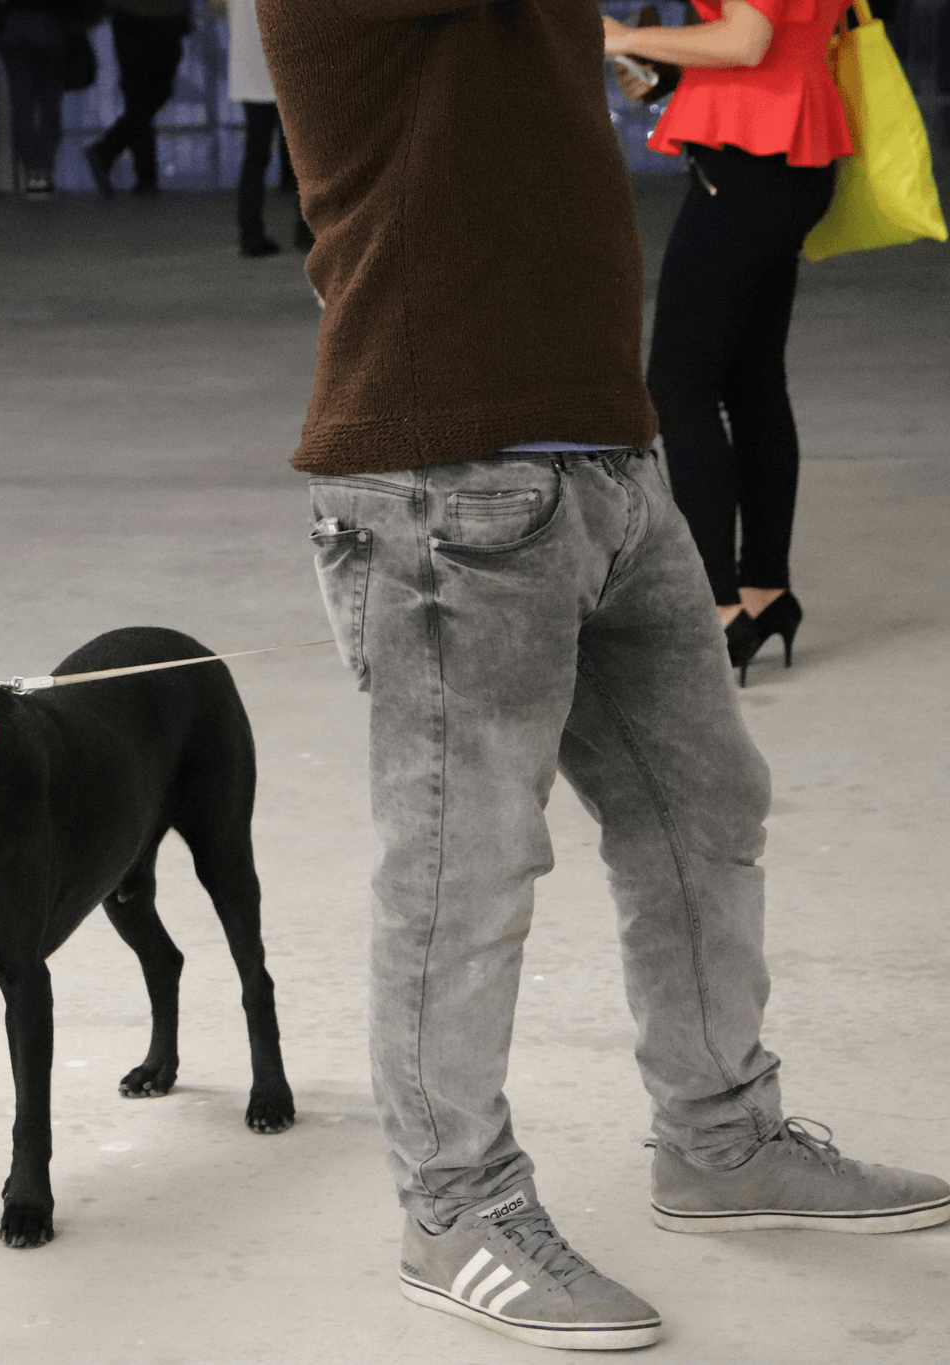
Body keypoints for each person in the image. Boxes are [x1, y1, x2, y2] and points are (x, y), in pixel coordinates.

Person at [256, 0, 949, 1352]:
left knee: (705, 805)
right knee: (467, 866)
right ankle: (453, 1205)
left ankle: (721, 1138)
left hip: (605, 457)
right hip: (444, 478)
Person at [605, 0, 851, 683]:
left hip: (749, 162)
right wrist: (668, 67)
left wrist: (626, 37)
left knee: (679, 389)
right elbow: (766, 41)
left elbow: (746, 40)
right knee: (751, 383)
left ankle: (719, 610)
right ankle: (765, 592)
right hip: (781, 152)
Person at [216, 0, 305, 256]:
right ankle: (306, 230)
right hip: (290, 65)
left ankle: (250, 233)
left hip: (249, 68)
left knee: (256, 155)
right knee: (303, 158)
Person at [82, 0, 187, 197]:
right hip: (161, 17)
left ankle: (114, 156)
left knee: (141, 99)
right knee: (145, 99)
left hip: (136, 17)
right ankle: (141, 175)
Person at [0, 0, 82, 195]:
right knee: (49, 107)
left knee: (23, 107)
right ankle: (42, 173)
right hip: (49, 22)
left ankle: (31, 171)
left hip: (15, 23)